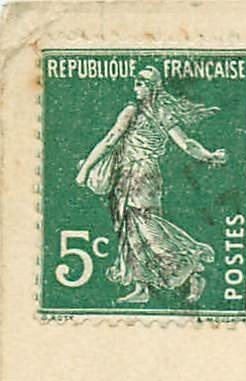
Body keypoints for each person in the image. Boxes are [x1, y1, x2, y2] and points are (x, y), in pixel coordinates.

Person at [74, 66, 226, 305]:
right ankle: (143, 287)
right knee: (131, 230)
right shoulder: (162, 112)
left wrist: (85, 170)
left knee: (145, 228)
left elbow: (110, 140)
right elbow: (186, 143)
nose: (137, 84)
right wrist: (209, 156)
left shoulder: (132, 111)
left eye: (142, 81)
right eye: (137, 80)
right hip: (140, 175)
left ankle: (192, 265)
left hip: (137, 175)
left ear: (153, 87)